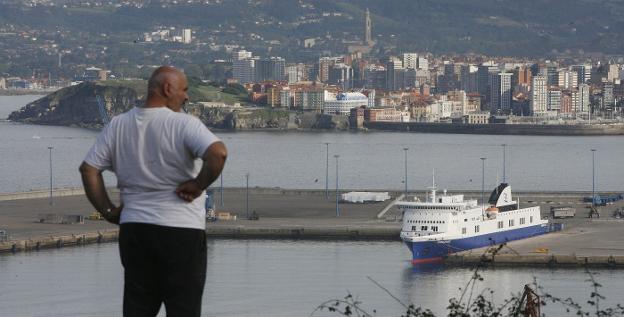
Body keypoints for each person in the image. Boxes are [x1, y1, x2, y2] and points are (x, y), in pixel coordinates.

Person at [79, 66, 227, 317]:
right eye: (184, 90)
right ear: (168, 88)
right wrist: (198, 185)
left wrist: (108, 212)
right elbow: (218, 153)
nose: (187, 97)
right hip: (181, 231)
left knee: (138, 309)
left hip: (135, 230)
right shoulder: (184, 124)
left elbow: (88, 170)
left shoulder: (118, 125)